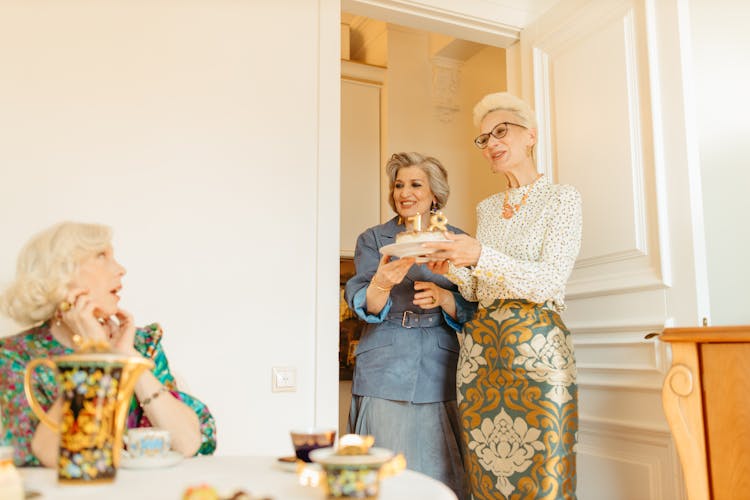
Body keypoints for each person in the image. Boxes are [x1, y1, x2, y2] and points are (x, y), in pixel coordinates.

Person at [424, 92, 582, 500]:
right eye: (483, 138)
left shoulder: (562, 199)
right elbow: (479, 289)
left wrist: (479, 254)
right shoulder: (487, 208)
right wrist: (455, 267)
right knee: (486, 479)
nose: (491, 143)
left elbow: (548, 282)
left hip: (537, 349)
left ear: (530, 136)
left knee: (545, 477)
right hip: (479, 354)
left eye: (501, 132)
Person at [0, 222, 217, 466]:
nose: (121, 269)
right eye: (101, 256)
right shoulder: (15, 356)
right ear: (60, 274)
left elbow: (187, 443)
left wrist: (125, 355)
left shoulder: (141, 343)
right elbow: (47, 457)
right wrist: (94, 355)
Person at [345, 152, 476, 499]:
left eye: (415, 184)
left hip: (441, 365)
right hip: (384, 365)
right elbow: (364, 304)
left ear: (435, 193)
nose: (405, 192)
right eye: (399, 185)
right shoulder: (374, 240)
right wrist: (382, 284)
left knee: (439, 472)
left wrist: (445, 298)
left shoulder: (457, 241)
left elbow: (475, 307)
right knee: (385, 474)